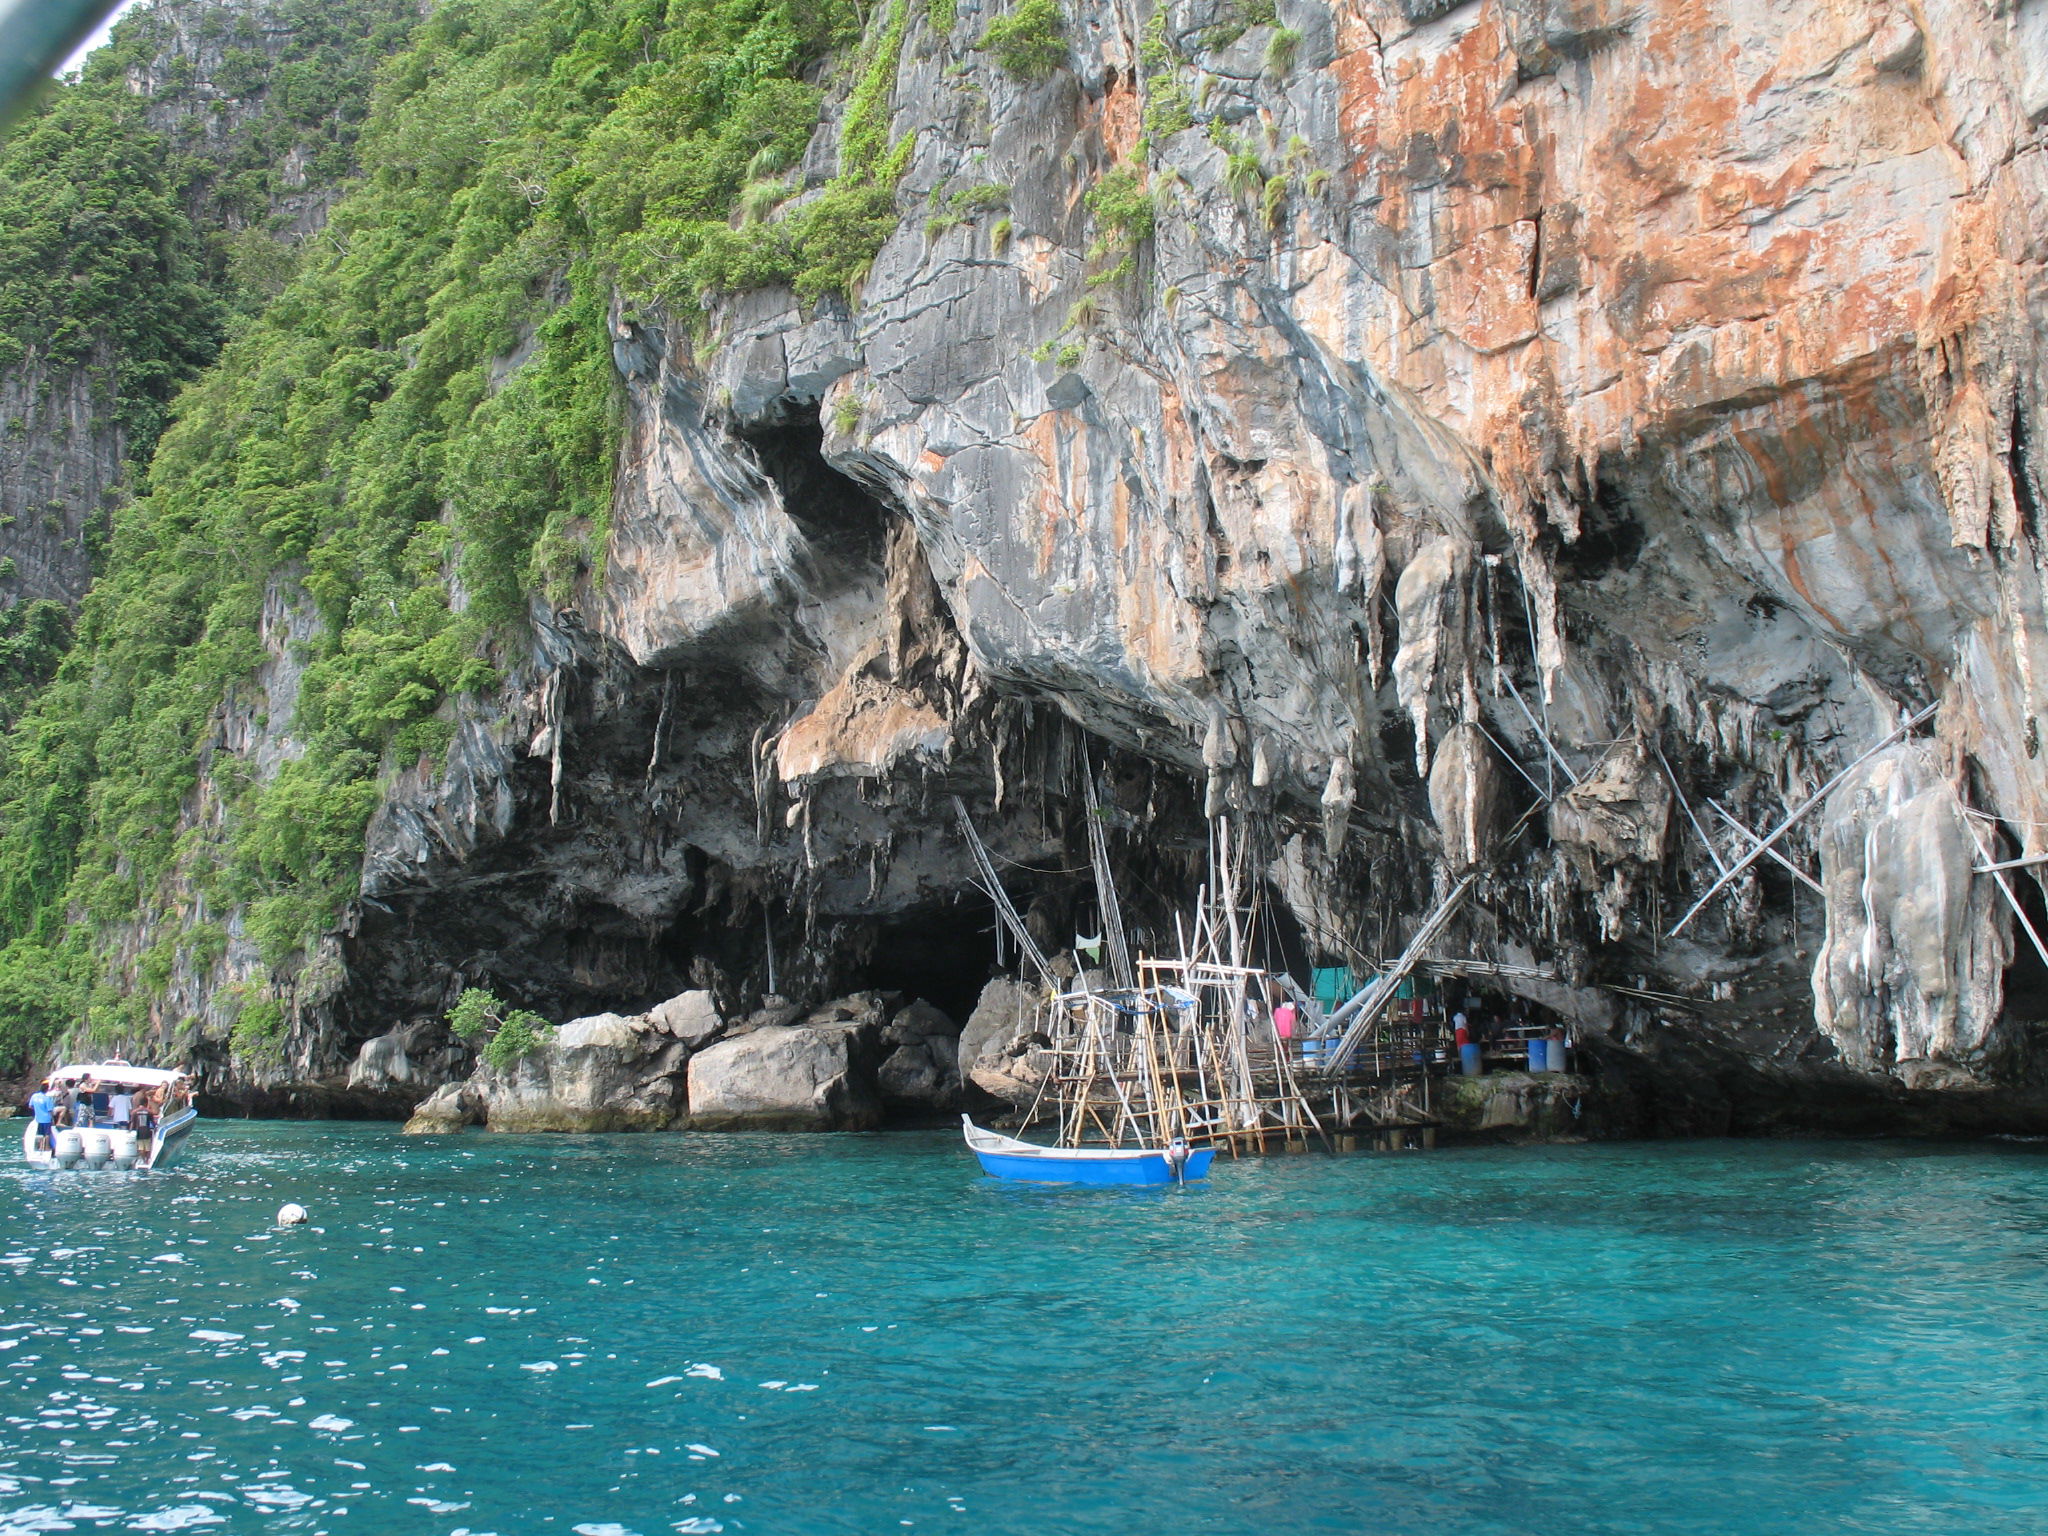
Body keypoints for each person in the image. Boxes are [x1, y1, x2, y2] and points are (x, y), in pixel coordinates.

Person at [27, 1080, 55, 1153]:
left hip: (38, 1119)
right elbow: (50, 1110)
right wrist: (53, 1119)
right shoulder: (47, 1098)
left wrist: (37, 1110)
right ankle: (46, 1147)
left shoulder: (34, 1096)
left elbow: (30, 1106)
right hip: (46, 1119)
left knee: (40, 1134)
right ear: (47, 1089)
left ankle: (40, 1147)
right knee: (47, 1134)